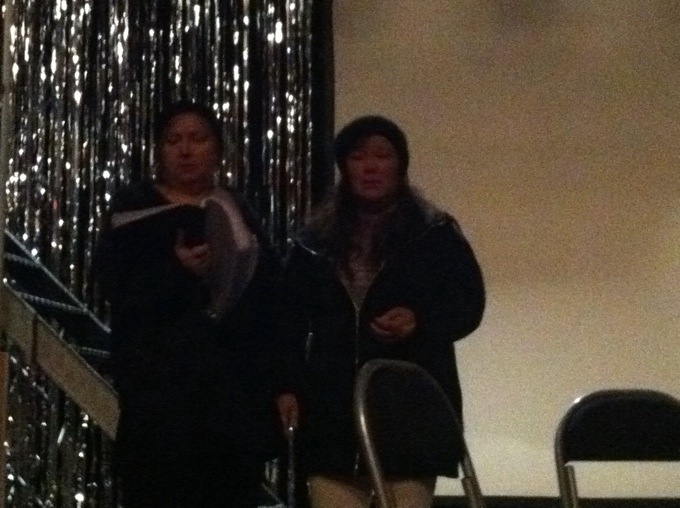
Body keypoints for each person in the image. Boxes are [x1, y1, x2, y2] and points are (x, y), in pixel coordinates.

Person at [275, 115, 485, 508]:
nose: (370, 167)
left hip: (408, 407)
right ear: (344, 167)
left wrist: (419, 321)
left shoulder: (434, 233)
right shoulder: (313, 241)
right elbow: (285, 321)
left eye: (382, 155)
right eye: (358, 157)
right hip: (331, 409)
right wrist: (287, 385)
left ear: (400, 165)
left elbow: (468, 305)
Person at [95, 101, 280, 507]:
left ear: (218, 149)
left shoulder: (236, 209)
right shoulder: (133, 209)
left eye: (197, 139)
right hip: (160, 397)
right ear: (159, 151)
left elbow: (268, 299)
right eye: (173, 140)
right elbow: (115, 286)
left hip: (230, 401)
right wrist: (176, 271)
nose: (185, 150)